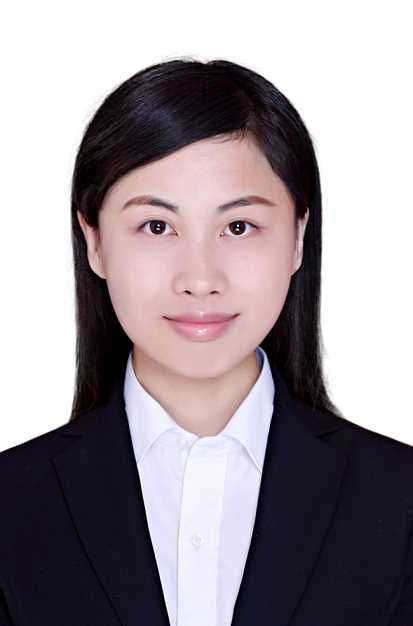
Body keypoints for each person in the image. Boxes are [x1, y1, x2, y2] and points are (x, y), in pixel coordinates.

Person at [0, 57, 412, 626]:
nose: (199, 278)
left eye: (238, 227)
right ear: (94, 241)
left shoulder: (398, 498)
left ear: (297, 237)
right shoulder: (13, 504)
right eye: (157, 226)